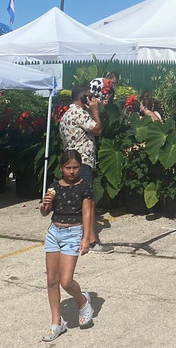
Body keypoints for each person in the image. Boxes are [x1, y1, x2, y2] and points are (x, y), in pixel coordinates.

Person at [40, 150, 96, 341]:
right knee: (51, 280)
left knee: (66, 281)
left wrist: (86, 238)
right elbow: (44, 213)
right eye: (68, 168)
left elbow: (87, 213)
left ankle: (82, 301)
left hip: (73, 234)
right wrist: (45, 204)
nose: (72, 171)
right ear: (61, 168)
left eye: (75, 167)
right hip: (54, 233)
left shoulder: (85, 187)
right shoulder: (54, 186)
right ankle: (56, 322)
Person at [58, 83, 112, 253]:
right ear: (83, 98)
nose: (92, 99)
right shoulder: (79, 113)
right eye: (89, 96)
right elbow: (97, 129)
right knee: (88, 202)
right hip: (82, 163)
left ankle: (75, 237)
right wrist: (95, 110)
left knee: (76, 202)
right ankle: (92, 240)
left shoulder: (67, 114)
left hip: (71, 162)